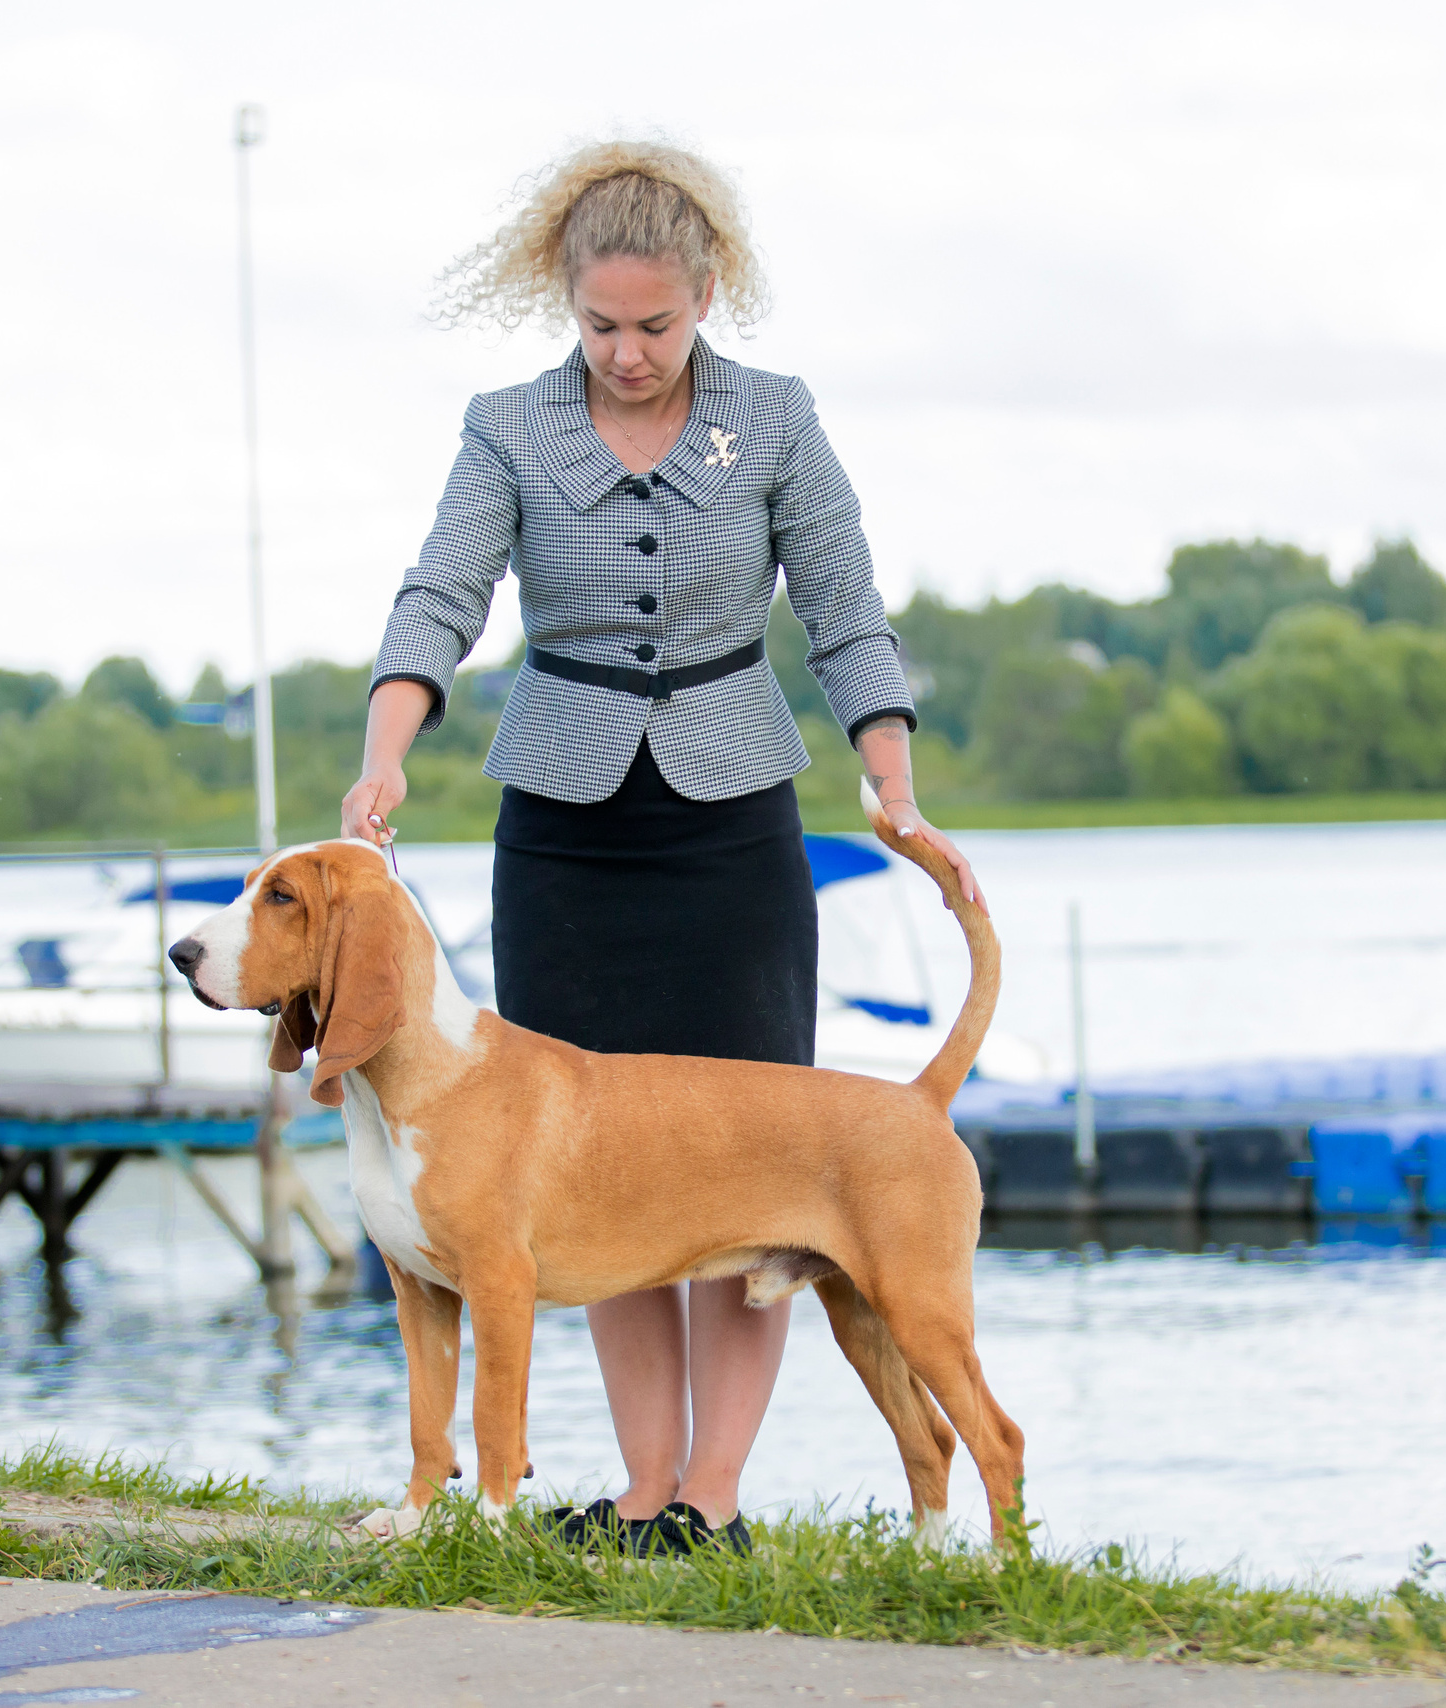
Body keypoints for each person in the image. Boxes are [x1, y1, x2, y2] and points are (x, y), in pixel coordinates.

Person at [341, 138, 985, 1556]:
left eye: (656, 325)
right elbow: (439, 597)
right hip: (563, 838)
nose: (628, 354)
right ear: (564, 301)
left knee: (746, 1168)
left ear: (708, 295)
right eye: (601, 327)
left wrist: (892, 782)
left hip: (734, 826)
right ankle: (643, 1495)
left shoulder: (775, 417)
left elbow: (844, 605)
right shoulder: (509, 428)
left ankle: (715, 1497)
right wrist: (385, 754)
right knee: (597, 1179)